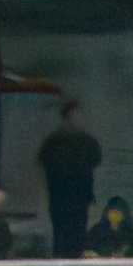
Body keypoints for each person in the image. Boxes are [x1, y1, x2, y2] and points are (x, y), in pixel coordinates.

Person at [37, 102, 102, 257]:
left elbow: (95, 162)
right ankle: (64, 256)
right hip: (61, 196)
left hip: (77, 196)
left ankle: (73, 256)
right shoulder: (55, 142)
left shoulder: (86, 141)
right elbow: (44, 163)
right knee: (62, 230)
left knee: (77, 230)